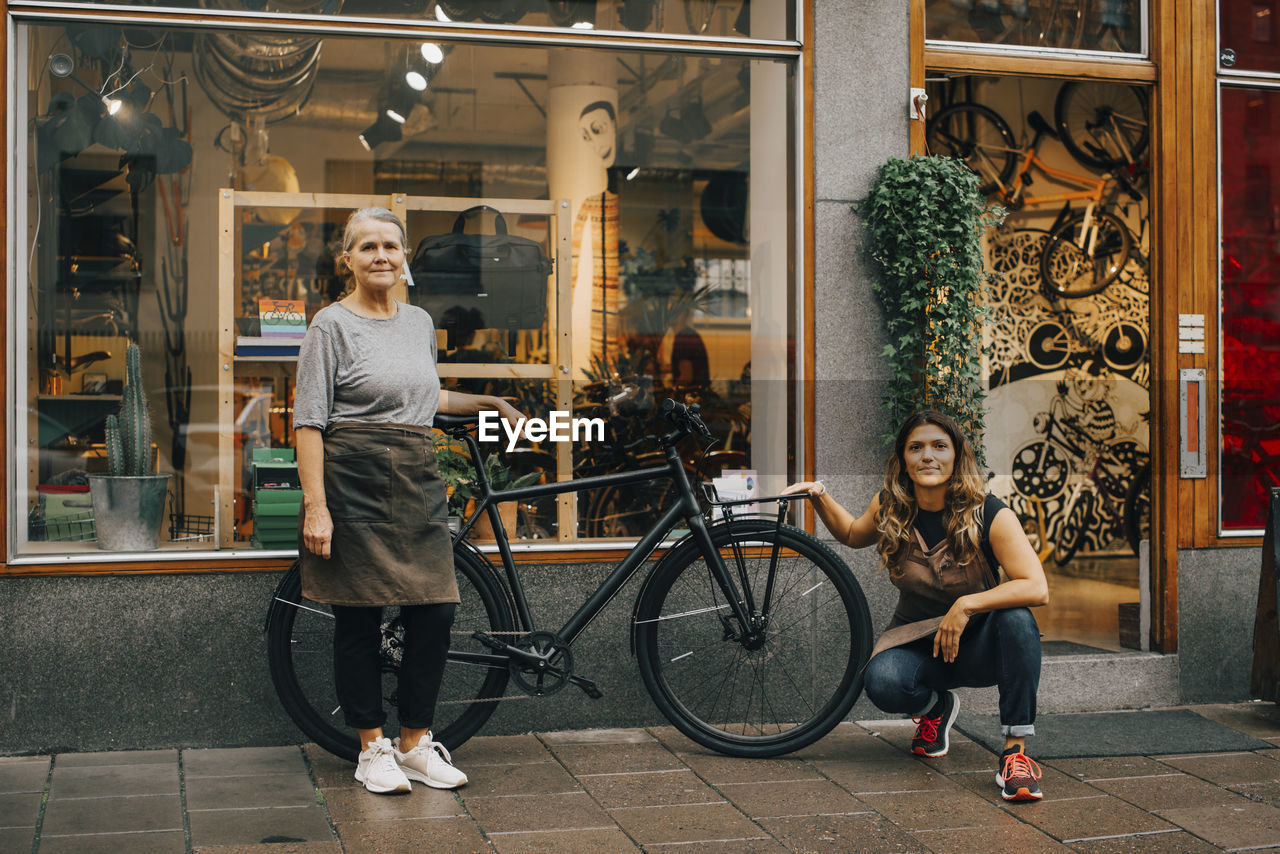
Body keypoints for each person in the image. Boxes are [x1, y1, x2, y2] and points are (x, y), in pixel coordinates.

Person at [293, 207, 524, 796]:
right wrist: (316, 506)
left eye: (391, 246)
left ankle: (416, 743)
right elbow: (309, 423)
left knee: (436, 610)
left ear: (404, 259)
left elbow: (425, 394)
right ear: (346, 258)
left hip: (416, 475)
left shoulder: (419, 322)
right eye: (367, 246)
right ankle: (373, 749)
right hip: (353, 477)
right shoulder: (329, 326)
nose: (381, 256)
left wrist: (487, 403)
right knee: (359, 615)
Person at [782, 410, 1050, 802]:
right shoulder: (891, 505)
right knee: (882, 681)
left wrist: (966, 606)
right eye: (916, 447)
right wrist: (818, 496)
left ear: (957, 456)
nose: (928, 455)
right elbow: (854, 534)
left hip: (979, 646)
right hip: (919, 644)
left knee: (1018, 621)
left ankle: (1015, 754)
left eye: (940, 446)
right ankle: (936, 707)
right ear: (903, 459)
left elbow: (1037, 586)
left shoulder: (989, 512)